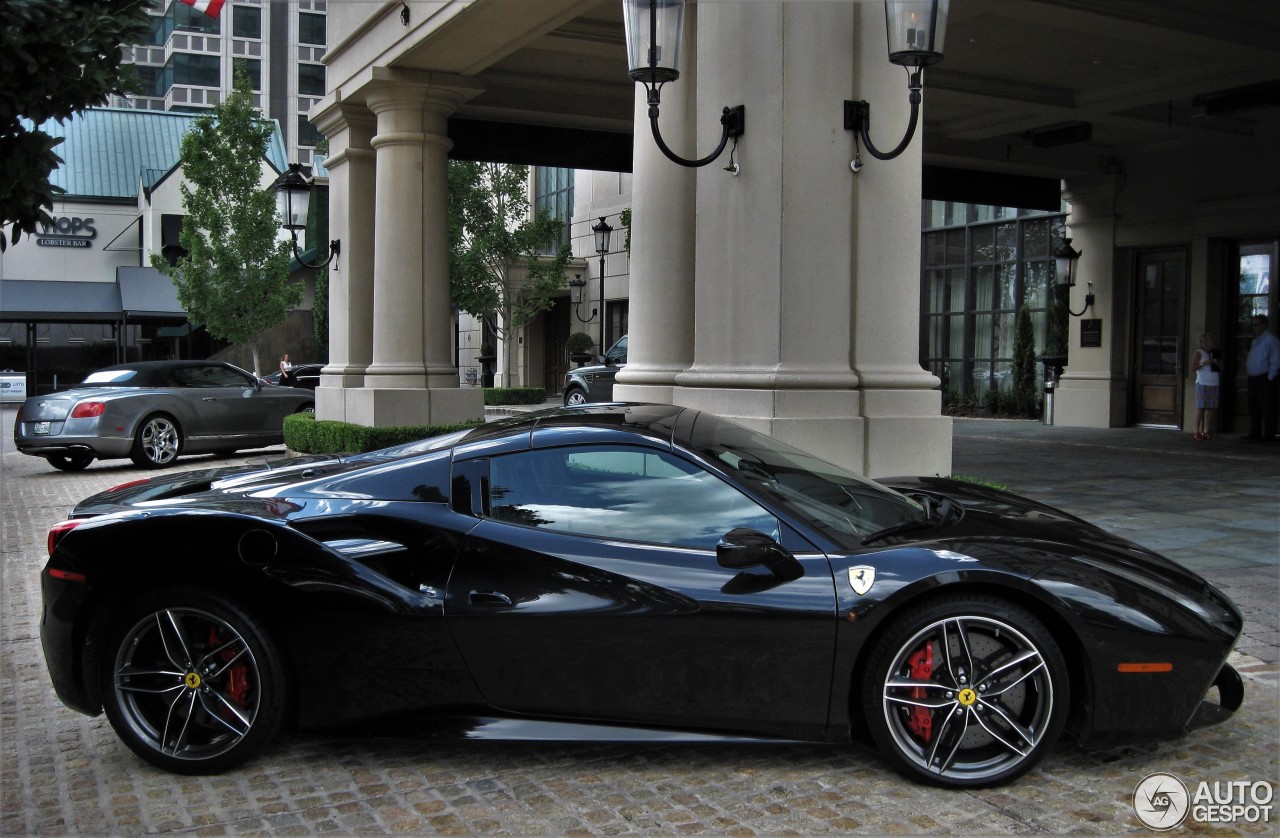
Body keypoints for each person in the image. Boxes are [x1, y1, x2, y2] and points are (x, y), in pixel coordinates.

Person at [1244, 314, 1280, 442]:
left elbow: (1275, 360)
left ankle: (1269, 434)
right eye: (1253, 325)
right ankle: (1255, 432)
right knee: (1254, 407)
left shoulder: (1271, 340)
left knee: (1267, 407)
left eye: (1256, 324)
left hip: (1264, 378)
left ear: (1264, 325)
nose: (1254, 327)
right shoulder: (1256, 340)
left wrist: (1270, 377)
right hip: (1253, 379)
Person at [1192, 333, 1219, 441]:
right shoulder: (1199, 353)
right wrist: (1205, 363)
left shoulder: (1214, 353)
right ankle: (1197, 431)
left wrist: (1216, 362)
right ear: (1205, 342)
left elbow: (1221, 367)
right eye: (1210, 340)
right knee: (1201, 408)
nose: (1213, 342)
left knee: (1211, 408)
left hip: (1214, 382)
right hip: (1202, 383)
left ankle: (1207, 430)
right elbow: (1193, 367)